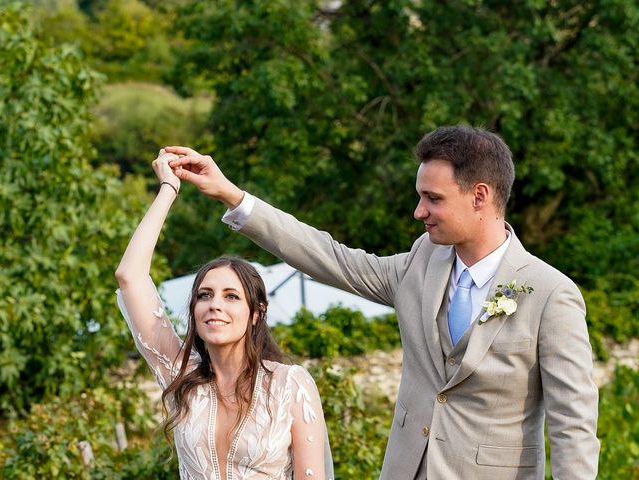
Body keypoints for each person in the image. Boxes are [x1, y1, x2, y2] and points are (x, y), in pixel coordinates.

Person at [165, 125, 600, 480]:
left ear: (480, 196)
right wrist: (232, 196)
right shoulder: (421, 262)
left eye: (433, 199)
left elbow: (574, 430)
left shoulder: (550, 295)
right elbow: (330, 258)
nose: (419, 211)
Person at [115, 151, 333, 480]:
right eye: (205, 295)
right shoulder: (181, 378)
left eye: (231, 296)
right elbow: (130, 275)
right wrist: (168, 188)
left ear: (256, 313)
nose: (215, 304)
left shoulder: (289, 384)